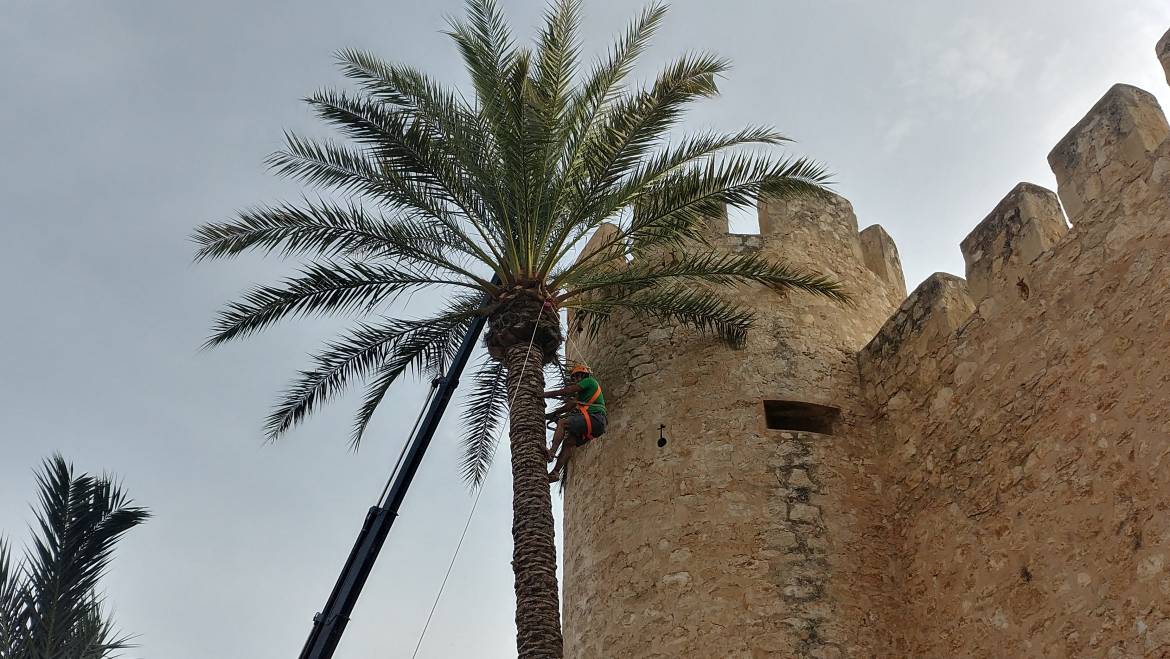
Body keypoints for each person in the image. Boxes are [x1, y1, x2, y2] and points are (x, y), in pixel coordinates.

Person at [544, 363, 606, 483]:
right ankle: (555, 473)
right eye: (575, 378)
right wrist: (552, 415)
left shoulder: (590, 381)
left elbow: (567, 391)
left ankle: (551, 453)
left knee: (562, 423)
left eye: (578, 376)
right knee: (568, 443)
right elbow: (569, 406)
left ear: (584, 375)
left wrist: (544, 395)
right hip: (597, 426)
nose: (577, 379)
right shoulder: (583, 396)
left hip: (594, 419)